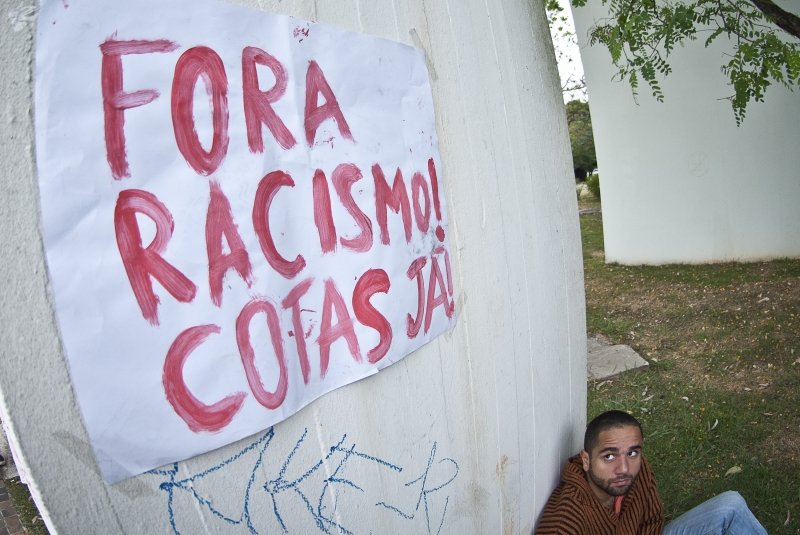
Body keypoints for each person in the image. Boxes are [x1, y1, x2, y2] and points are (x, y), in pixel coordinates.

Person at [535, 410, 767, 535]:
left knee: (731, 507)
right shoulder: (567, 517)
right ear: (586, 460)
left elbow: (653, 520)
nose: (624, 468)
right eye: (609, 456)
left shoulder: (636, 472)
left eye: (632, 453)